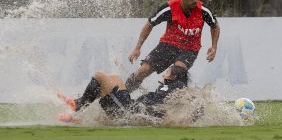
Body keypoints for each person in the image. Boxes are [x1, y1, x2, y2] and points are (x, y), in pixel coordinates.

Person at [126, 0, 220, 92]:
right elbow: (149, 24)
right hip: (168, 45)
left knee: (177, 72)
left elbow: (215, 26)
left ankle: (170, 102)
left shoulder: (203, 10)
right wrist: (137, 48)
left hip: (190, 49)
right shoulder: (169, 8)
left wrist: (214, 47)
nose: (195, 0)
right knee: (142, 71)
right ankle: (123, 95)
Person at [57, 65, 191, 123]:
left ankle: (76, 108)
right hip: (131, 107)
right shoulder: (172, 87)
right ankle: (78, 104)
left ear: (173, 77)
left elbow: (184, 99)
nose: (163, 74)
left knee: (100, 76)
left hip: (127, 112)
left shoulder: (176, 87)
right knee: (115, 76)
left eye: (167, 72)